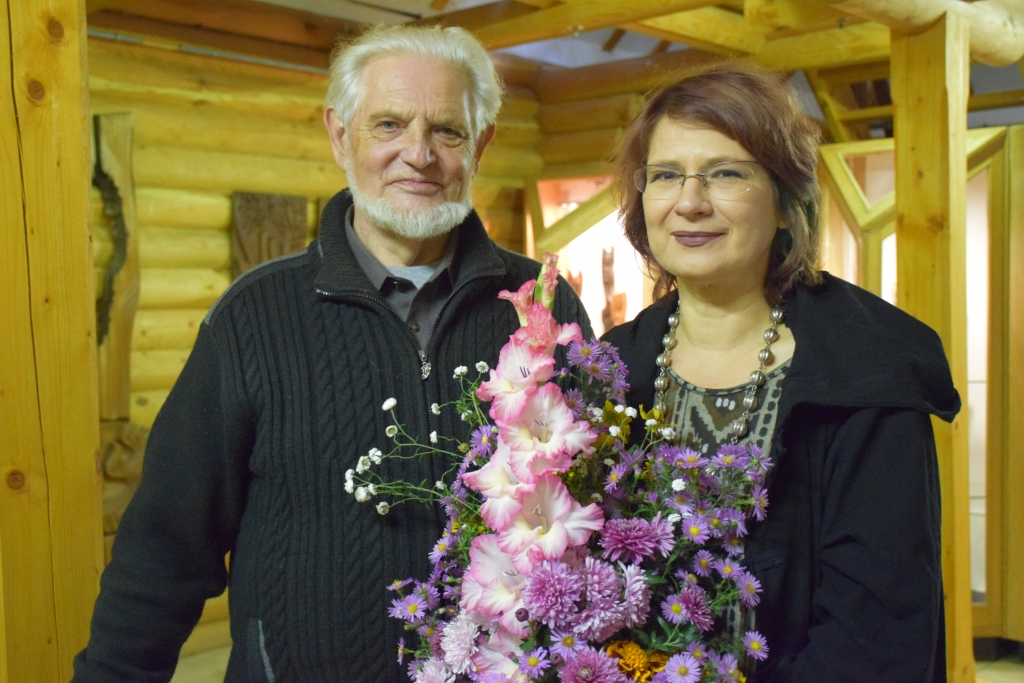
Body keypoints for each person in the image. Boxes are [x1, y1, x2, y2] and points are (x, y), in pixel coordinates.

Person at [73, 25, 589, 683]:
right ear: (340, 135)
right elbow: (165, 553)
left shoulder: (544, 307)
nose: (418, 154)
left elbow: (596, 521)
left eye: (447, 132)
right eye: (388, 125)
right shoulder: (253, 317)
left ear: (482, 143)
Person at [603, 64, 958, 681]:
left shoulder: (867, 370)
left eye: (726, 173)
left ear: (787, 204)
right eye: (665, 176)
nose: (690, 201)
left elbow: (878, 631)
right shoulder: (609, 367)